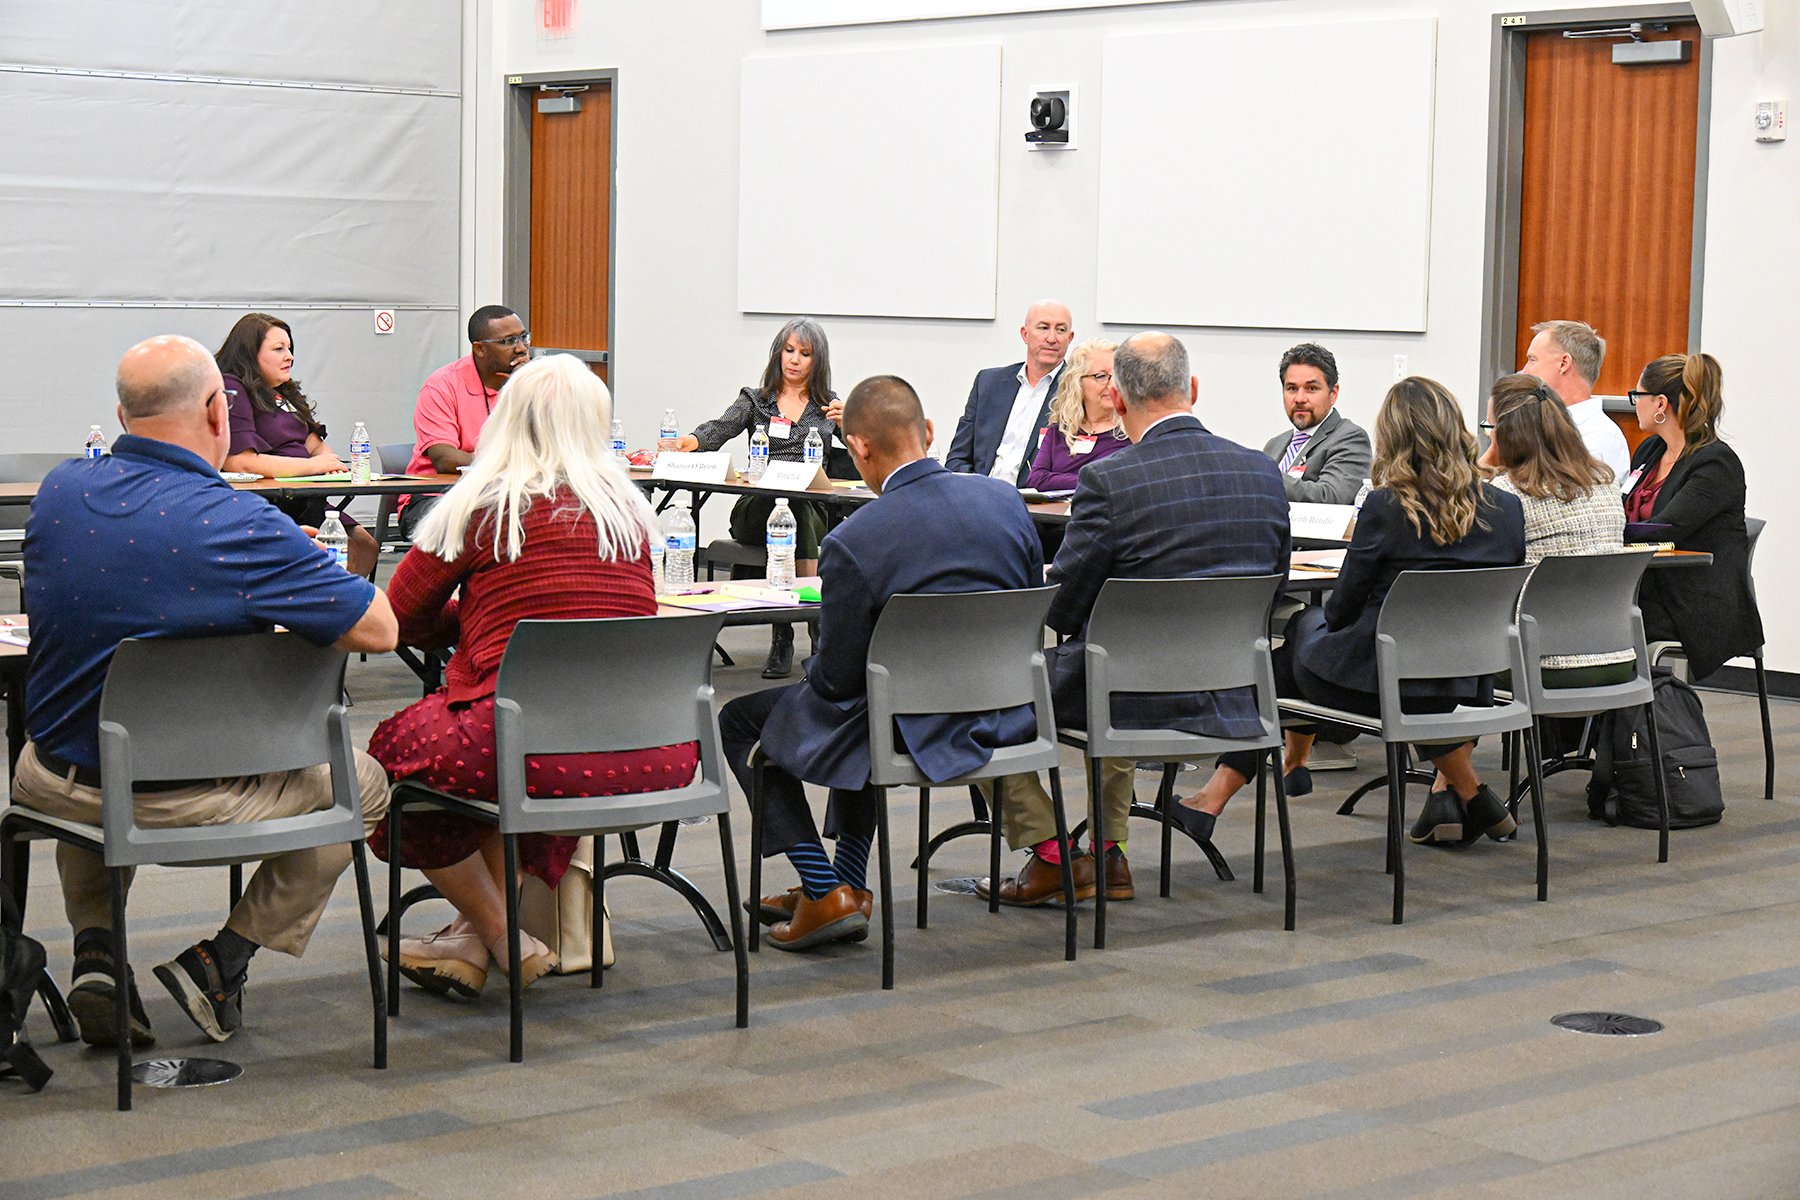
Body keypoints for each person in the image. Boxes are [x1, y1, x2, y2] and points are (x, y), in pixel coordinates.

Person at [11, 335, 398, 1047]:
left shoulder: (60, 493)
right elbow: (380, 629)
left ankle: (97, 952)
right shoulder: (245, 525)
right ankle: (221, 962)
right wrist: (298, 573)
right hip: (191, 799)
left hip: (56, 785)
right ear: (219, 410)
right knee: (365, 780)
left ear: (123, 415)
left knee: (97, 733)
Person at [369, 354, 695, 998]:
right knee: (524, 752)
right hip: (648, 748)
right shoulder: (628, 516)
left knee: (394, 759)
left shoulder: (481, 506)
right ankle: (467, 941)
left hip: (524, 743)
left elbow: (399, 619)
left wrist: (477, 625)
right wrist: (489, 621)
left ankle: (498, 934)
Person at [719, 375, 1042, 951]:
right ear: (930, 433)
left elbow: (837, 681)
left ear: (859, 448)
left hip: (907, 723)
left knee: (746, 720)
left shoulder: (856, 538)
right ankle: (849, 883)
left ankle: (824, 891)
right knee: (868, 698)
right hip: (1004, 709)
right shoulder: (1006, 503)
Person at [982, 332, 1290, 906]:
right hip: (1234, 695)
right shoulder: (1262, 473)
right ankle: (1106, 855)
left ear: (1117, 401)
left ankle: (1053, 855)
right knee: (1112, 656)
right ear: (1193, 389)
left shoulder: (1110, 480)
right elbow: (1271, 594)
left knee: (974, 688)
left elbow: (1065, 608)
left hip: (1128, 696)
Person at [1172, 377, 1526, 848]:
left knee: (1288, 644)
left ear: (1394, 436)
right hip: (1466, 681)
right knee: (1289, 662)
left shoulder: (1387, 506)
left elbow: (1339, 613)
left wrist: (1306, 619)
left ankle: (1222, 795)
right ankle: (1470, 791)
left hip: (1382, 683)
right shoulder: (1507, 509)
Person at [672, 317, 844, 679]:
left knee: (796, 504)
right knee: (786, 500)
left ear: (818, 361)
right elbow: (719, 429)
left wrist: (851, 422)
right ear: (778, 354)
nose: (794, 360)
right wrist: (689, 441)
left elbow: (864, 450)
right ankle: (807, 633)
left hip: (808, 513)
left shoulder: (828, 406)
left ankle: (790, 636)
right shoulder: (756, 400)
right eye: (789, 350)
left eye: (805, 353)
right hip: (755, 511)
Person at [1485, 372, 1633, 688]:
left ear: (1506, 434)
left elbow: (1488, 576)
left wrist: (1483, 469)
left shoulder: (1507, 493)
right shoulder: (1604, 482)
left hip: (1540, 664)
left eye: (1490, 429)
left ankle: (1453, 737)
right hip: (1617, 658)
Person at [1623, 352, 1763, 680]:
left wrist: (1604, 529)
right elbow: (1624, 509)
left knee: (1594, 621)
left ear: (1660, 404)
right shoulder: (1649, 451)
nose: (1634, 404)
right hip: (1647, 586)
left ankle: (1616, 722)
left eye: (1637, 396)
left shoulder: (1715, 464)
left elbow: (1668, 527)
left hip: (1691, 600)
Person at [215, 312, 379, 577]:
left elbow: (315, 445)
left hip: (305, 497)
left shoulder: (284, 390)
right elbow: (239, 462)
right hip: (267, 502)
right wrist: (313, 467)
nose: (289, 356)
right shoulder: (232, 387)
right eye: (278, 349)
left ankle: (344, 613)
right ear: (249, 353)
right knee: (337, 549)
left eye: (289, 348)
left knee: (364, 544)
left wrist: (331, 463)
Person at [398, 305, 531, 538]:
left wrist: (530, 388)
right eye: (508, 341)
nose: (521, 349)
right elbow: (444, 458)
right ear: (480, 349)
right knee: (491, 527)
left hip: (509, 492)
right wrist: (507, 466)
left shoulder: (531, 384)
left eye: (523, 337)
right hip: (439, 496)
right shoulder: (442, 385)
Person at [946, 300, 1072, 485]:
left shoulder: (1076, 391)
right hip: (980, 496)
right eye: (1043, 328)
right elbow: (957, 459)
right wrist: (978, 490)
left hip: (1035, 505)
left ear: (1070, 338)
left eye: (1060, 330)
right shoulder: (989, 383)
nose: (1052, 338)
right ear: (1025, 334)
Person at [1260, 342, 1373, 505]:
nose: (1299, 398)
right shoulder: (1274, 445)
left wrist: (1264, 475)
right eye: (1292, 388)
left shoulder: (1350, 438)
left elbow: (1331, 496)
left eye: (1311, 388)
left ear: (1333, 394)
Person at [1521, 320, 1631, 483]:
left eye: (1533, 360)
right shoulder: (1533, 422)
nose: (1524, 371)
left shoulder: (1601, 438)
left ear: (1564, 363)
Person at [1024, 337, 1128, 491]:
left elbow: (1119, 483)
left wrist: (1058, 479)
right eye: (1101, 376)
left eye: (1117, 376)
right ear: (1078, 383)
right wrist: (1093, 480)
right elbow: (1036, 479)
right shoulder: (1060, 430)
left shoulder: (1131, 434)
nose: (1113, 385)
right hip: (1056, 514)